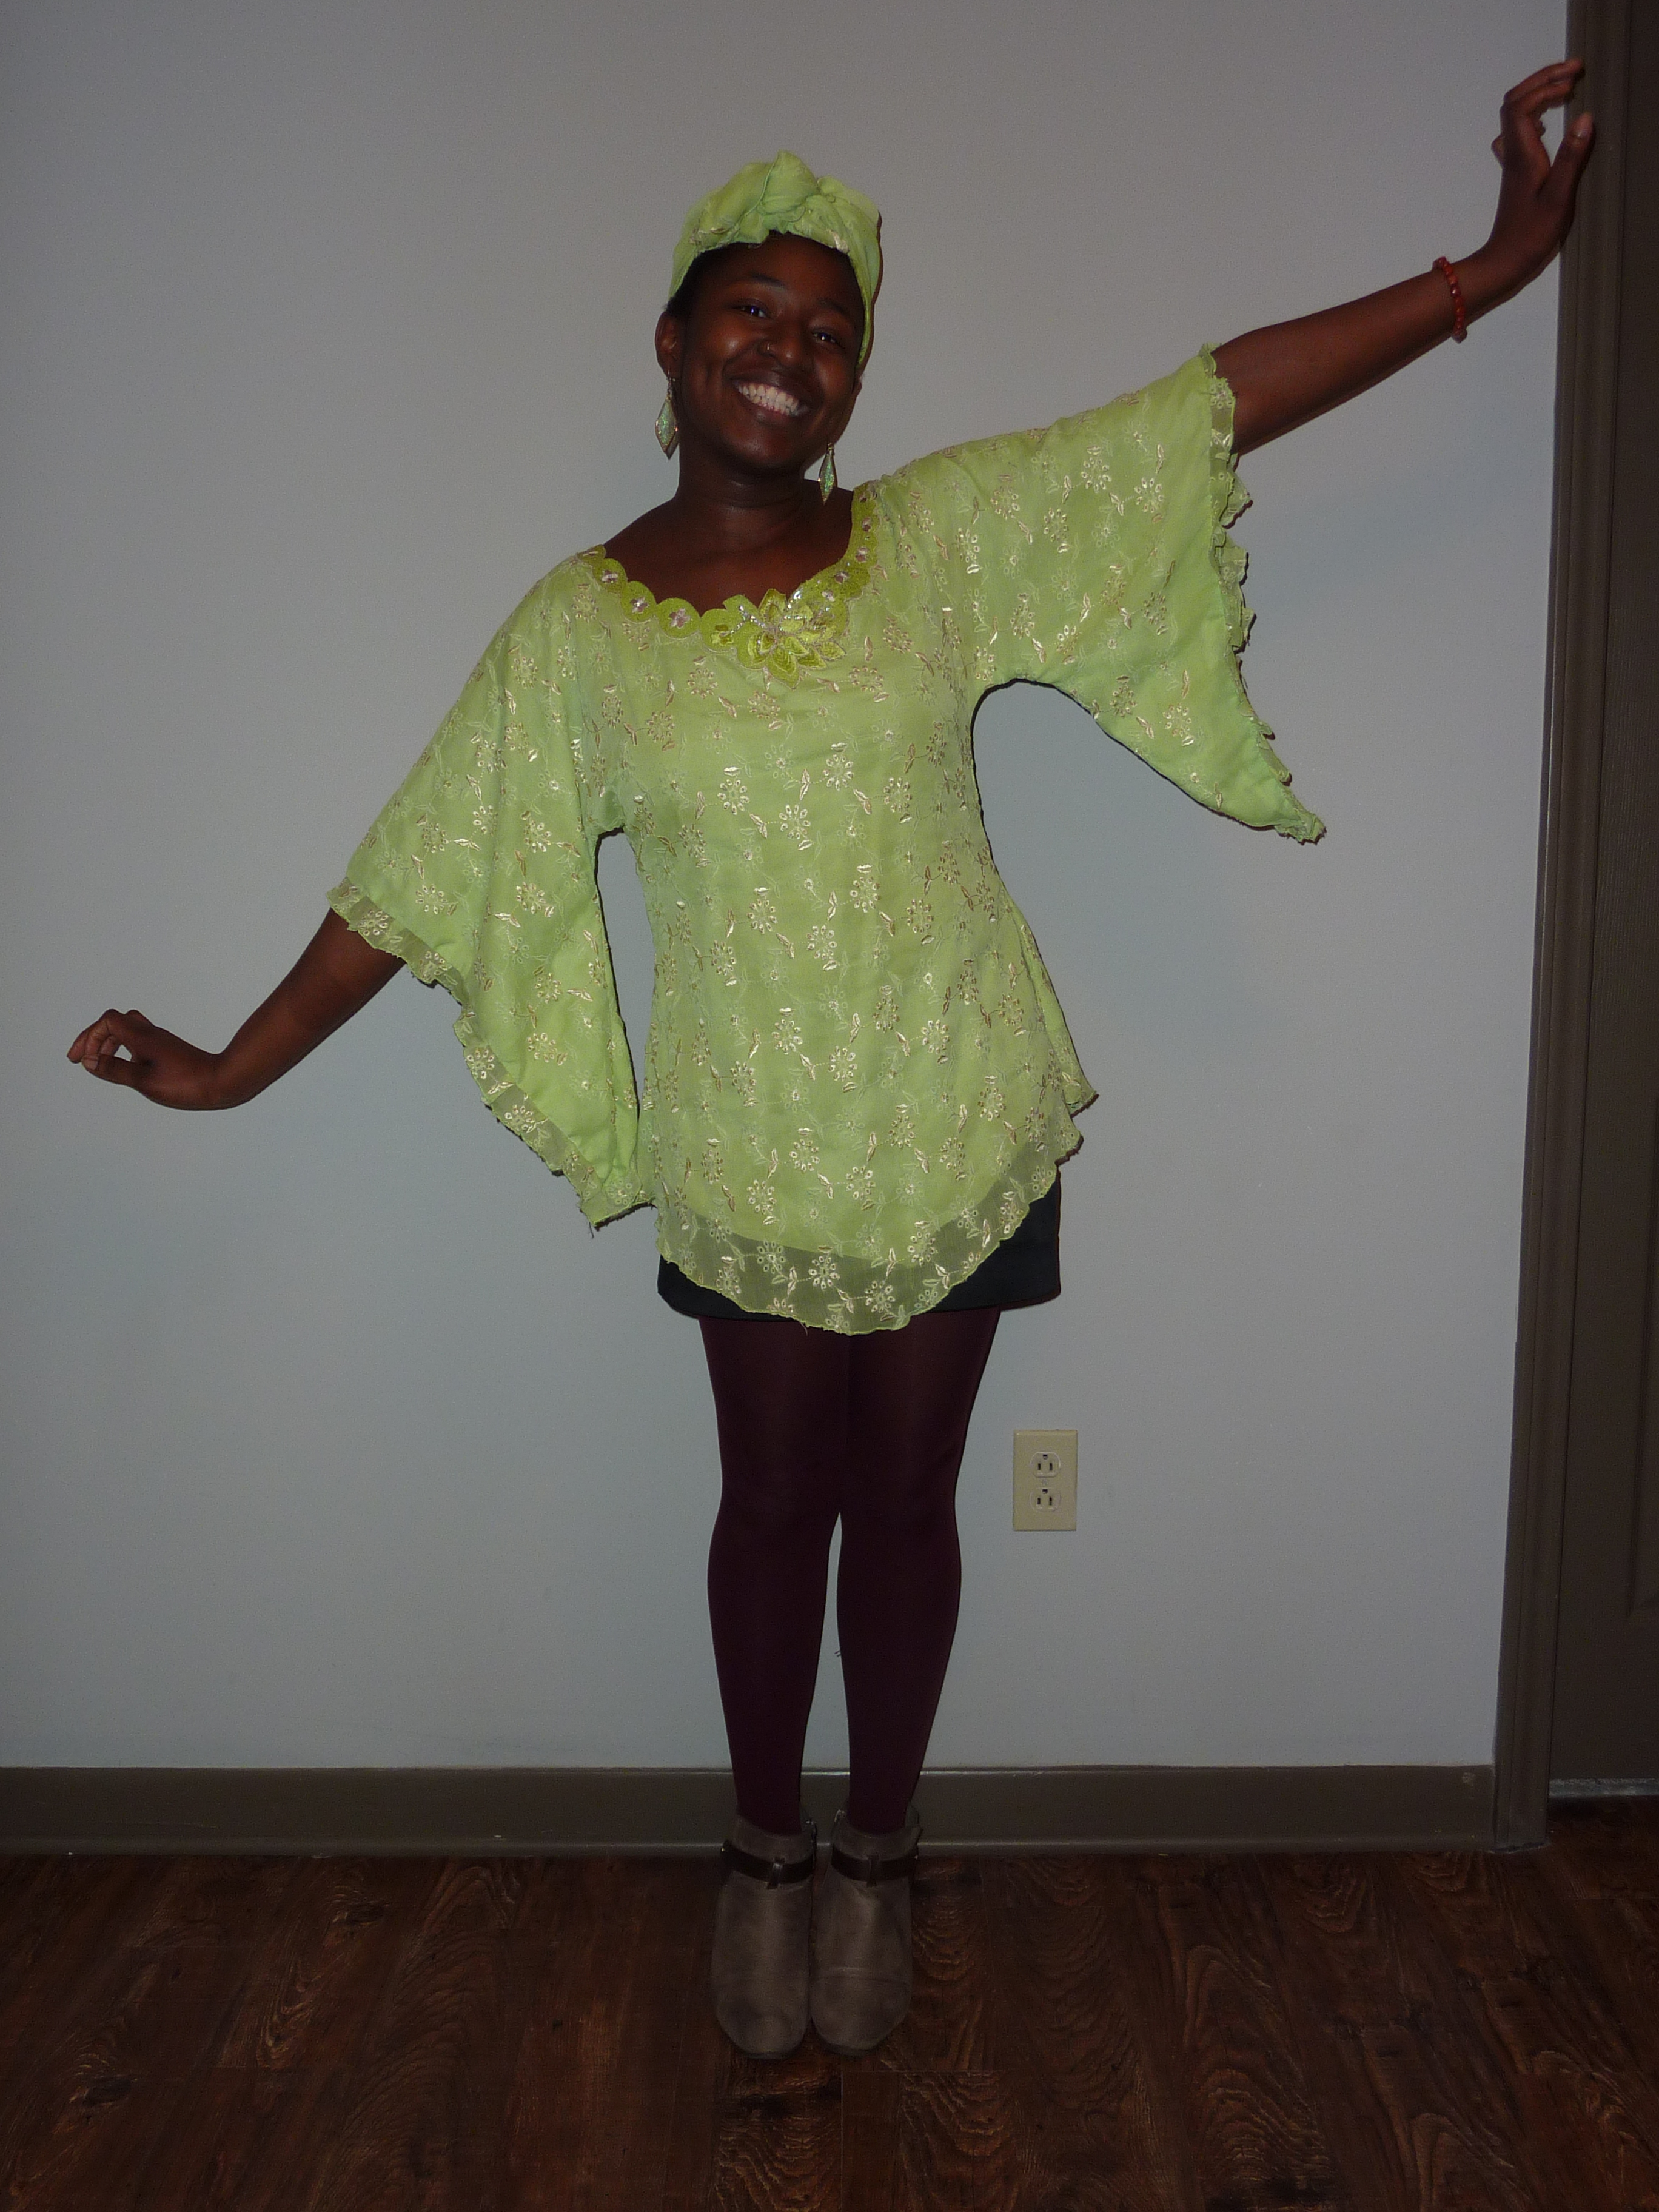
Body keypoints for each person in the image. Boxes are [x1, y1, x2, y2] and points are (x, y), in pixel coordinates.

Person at [68, 64, 1594, 2060]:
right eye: (752, 314)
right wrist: (230, 1069)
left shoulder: (935, 541)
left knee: (914, 1495)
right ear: (673, 342)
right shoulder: (578, 633)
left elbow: (1203, 409)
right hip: (752, 1150)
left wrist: (1487, 270)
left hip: (961, 1108)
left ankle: (878, 1851)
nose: (790, 353)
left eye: (830, 330)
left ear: (856, 377)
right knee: (772, 1500)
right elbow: (421, 865)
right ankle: (764, 1852)